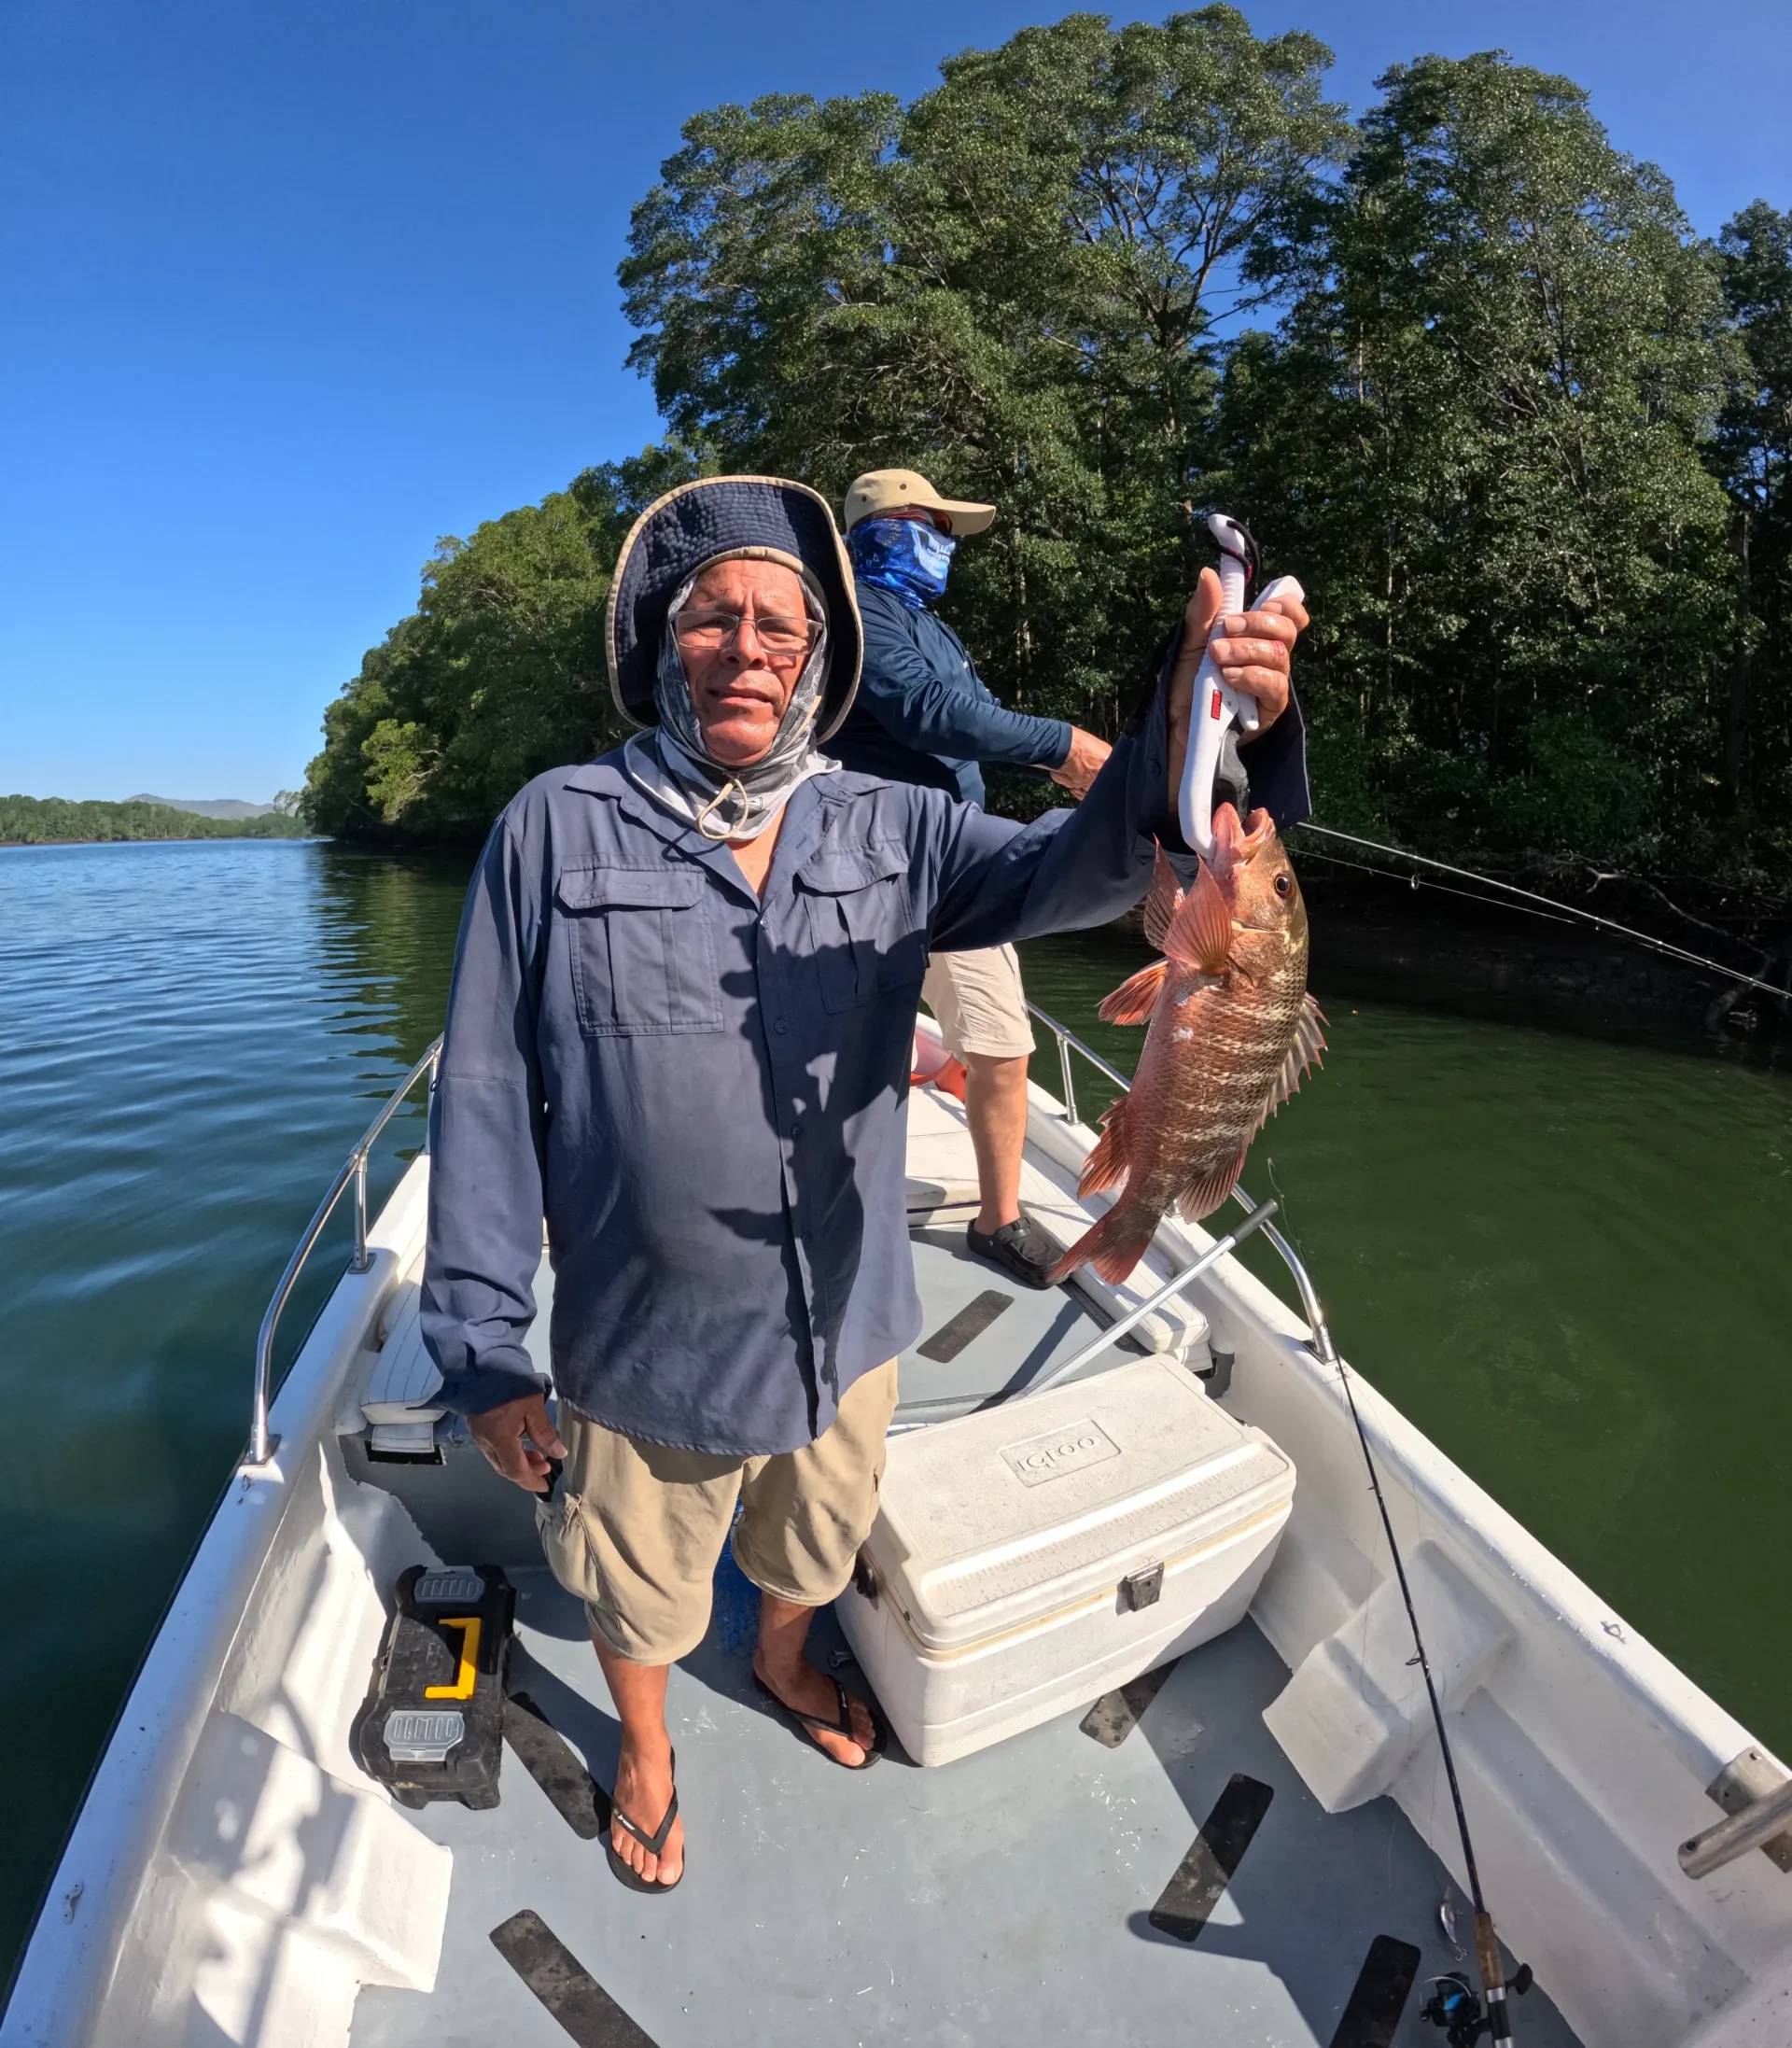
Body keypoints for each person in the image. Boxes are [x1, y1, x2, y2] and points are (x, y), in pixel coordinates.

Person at [420, 474, 1309, 1893]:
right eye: (715, 617)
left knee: (813, 1542)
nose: (750, 646)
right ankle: (646, 1750)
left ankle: (781, 1655)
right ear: (660, 637)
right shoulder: (551, 827)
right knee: (639, 1588)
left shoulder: (890, 826)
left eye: (785, 623)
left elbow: (1076, 870)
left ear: (823, 655)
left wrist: (1198, 710)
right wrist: (480, 1347)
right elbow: (478, 1096)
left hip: (848, 1323)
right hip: (647, 1346)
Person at [829, 470, 1099, 1285]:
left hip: (957, 864)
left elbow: (969, 713)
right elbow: (925, 714)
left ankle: (999, 1222)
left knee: (1004, 1046)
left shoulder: (926, 626)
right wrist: (1063, 745)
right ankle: (825, 1219)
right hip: (863, 865)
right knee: (836, 1057)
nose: (944, 542)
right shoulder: (851, 616)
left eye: (947, 529)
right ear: (876, 529)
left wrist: (1049, 759)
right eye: (928, 525)